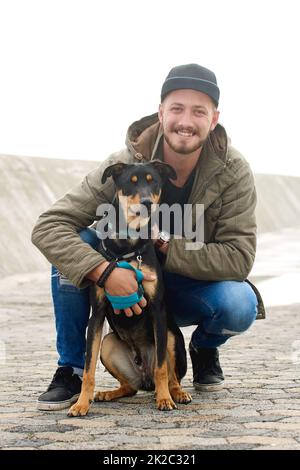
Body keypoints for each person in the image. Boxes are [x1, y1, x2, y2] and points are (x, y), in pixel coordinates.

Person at [31, 64, 265, 411]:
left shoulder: (232, 171)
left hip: (187, 289)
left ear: (214, 119)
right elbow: (49, 226)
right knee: (76, 241)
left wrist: (165, 246)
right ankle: (71, 368)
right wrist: (104, 273)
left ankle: (201, 348)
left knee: (239, 304)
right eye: (177, 108)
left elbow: (239, 257)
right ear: (161, 112)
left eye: (199, 111)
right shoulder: (125, 164)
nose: (186, 120)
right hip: (118, 282)